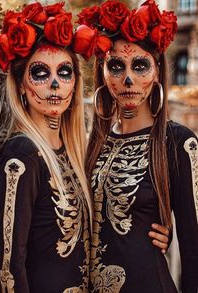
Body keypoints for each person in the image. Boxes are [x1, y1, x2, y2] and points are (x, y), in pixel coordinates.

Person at [0, 2, 170, 292]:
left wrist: (157, 231)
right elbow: (10, 269)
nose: (54, 85)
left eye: (64, 73)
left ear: (75, 83)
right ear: (21, 84)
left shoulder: (73, 153)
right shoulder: (22, 154)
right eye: (39, 73)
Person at [74, 0, 198, 292]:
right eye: (116, 66)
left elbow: (193, 249)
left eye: (139, 65)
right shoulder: (92, 144)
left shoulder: (178, 142)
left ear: (157, 70)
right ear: (102, 72)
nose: (128, 79)